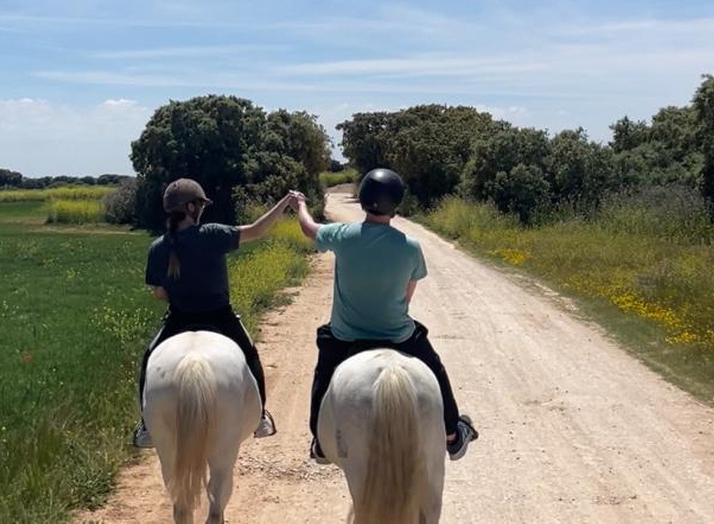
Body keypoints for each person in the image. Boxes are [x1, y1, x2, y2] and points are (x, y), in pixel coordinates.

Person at [289, 168, 479, 464]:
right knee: (435, 368)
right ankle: (453, 435)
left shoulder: (341, 236)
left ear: (363, 200)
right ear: (396, 205)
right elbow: (406, 296)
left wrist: (300, 204)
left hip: (345, 336)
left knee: (324, 374)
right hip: (398, 335)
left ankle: (321, 441)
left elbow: (309, 228)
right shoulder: (410, 247)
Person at [133, 178, 292, 448]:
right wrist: (284, 203)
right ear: (193, 208)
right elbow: (257, 230)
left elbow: (159, 293)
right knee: (250, 354)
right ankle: (261, 416)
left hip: (179, 318)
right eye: (201, 205)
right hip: (220, 316)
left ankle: (146, 425)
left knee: (150, 358)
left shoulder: (158, 247)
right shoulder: (213, 234)